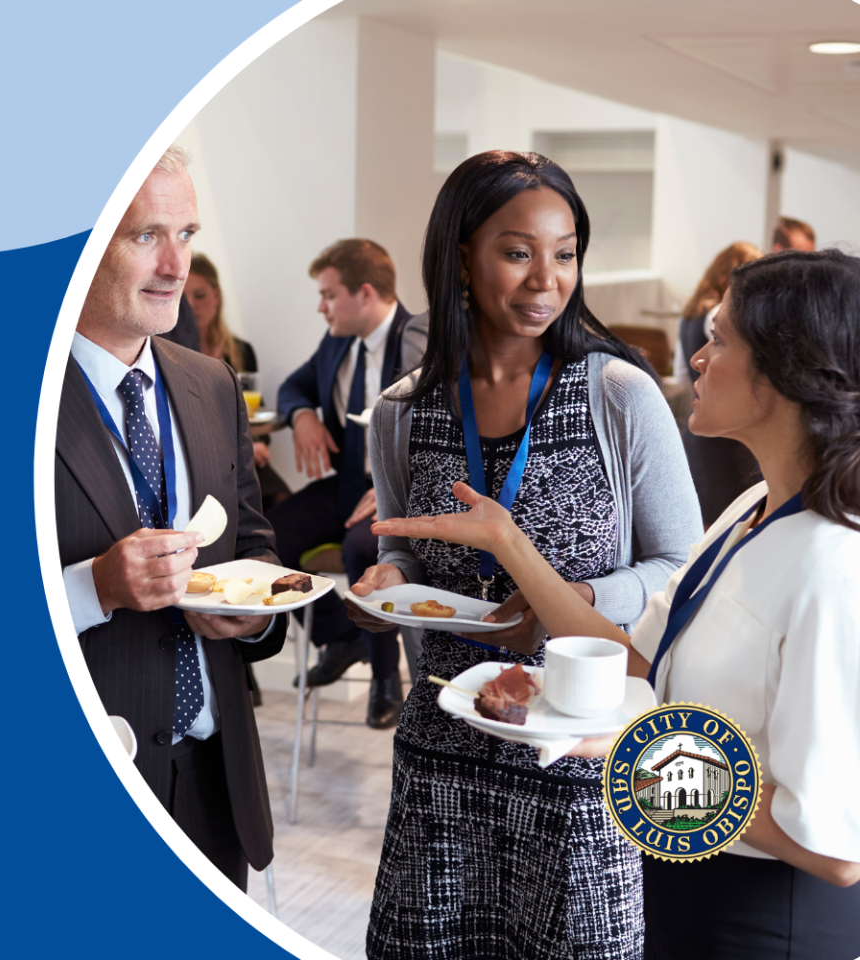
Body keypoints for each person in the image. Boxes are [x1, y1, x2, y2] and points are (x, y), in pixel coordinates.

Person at [375, 249, 860, 960]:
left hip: (766, 919)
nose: (696, 356)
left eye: (721, 339)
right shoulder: (755, 509)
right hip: (684, 887)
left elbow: (836, 848)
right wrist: (510, 544)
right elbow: (636, 661)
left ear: (789, 370)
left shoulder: (833, 562)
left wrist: (634, 754)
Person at [350, 150, 702, 959]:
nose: (547, 279)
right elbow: (408, 551)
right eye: (518, 252)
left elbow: (681, 571)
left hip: (579, 760)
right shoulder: (403, 414)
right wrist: (386, 580)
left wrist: (567, 597)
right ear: (462, 260)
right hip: (444, 749)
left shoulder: (617, 394)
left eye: (565, 252)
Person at [52, 145, 286, 889]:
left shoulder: (211, 383)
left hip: (217, 787)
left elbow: (253, 544)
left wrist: (254, 614)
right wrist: (95, 587)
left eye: (187, 235)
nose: (176, 265)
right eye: (145, 235)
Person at [271, 238, 429, 727]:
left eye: (328, 295)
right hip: (346, 486)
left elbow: (436, 435)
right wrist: (302, 417)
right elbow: (293, 387)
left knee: (367, 550)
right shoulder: (338, 340)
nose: (321, 307)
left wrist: (390, 494)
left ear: (364, 293)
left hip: (397, 496)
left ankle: (387, 681)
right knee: (267, 536)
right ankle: (339, 635)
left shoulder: (420, 339)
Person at [186, 252, 286, 510]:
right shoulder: (168, 356)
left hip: (244, 457)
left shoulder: (240, 351)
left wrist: (259, 444)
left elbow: (254, 410)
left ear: (216, 296)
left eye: (199, 295)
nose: (192, 305)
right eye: (183, 298)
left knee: (282, 503)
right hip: (199, 462)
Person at [677, 241, 763, 526]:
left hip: (698, 420)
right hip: (722, 440)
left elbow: (680, 371)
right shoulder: (719, 314)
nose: (700, 359)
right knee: (725, 522)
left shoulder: (690, 312)